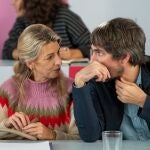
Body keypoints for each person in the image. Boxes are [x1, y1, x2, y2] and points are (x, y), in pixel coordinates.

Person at [72, 17, 150, 142]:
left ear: (124, 57)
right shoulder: (97, 80)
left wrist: (144, 101)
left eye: (99, 53)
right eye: (92, 52)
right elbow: (90, 136)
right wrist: (79, 82)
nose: (92, 61)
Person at [0, 24, 79, 140]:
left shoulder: (72, 90)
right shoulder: (8, 89)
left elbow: (81, 142)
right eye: (50, 57)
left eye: (58, 53)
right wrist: (5, 125)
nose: (59, 61)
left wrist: (52, 135)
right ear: (30, 63)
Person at [2, 0, 90, 60]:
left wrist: (70, 54)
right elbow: (7, 51)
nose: (12, 3)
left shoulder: (64, 17)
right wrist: (30, 54)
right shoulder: (22, 21)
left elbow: (91, 46)